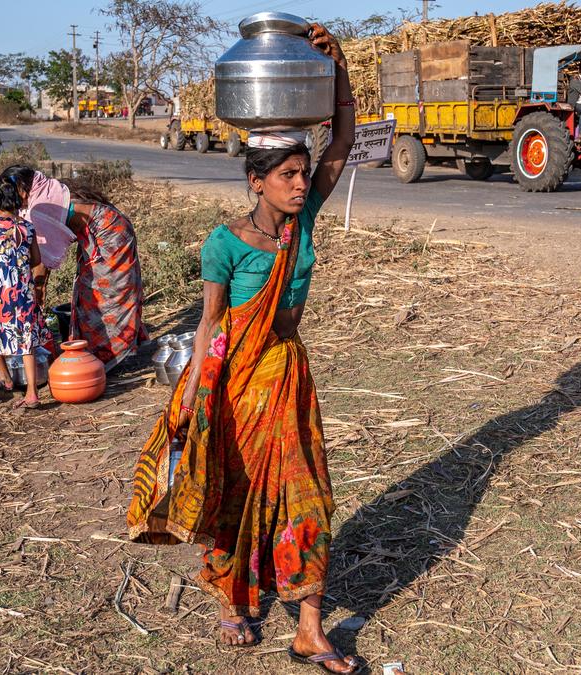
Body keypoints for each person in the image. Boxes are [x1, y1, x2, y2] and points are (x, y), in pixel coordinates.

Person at [126, 23, 363, 675]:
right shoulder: (223, 244)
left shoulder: (302, 222)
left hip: (287, 373)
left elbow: (341, 139)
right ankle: (234, 601)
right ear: (257, 180)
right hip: (237, 383)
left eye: (303, 174)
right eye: (288, 175)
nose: (300, 184)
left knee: (307, 494)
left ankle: (310, 628)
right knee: (233, 495)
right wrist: (194, 392)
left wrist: (338, 67)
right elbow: (208, 323)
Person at [1, 166, 149, 371]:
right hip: (94, 233)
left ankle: (111, 354)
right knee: (86, 292)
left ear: (21, 189)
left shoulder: (40, 206)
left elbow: (43, 259)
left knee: (109, 293)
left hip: (111, 231)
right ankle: (96, 352)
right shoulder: (40, 193)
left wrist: (36, 290)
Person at [0, 175, 49, 409]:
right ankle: (33, 393)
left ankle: (5, 378)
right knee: (26, 340)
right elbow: (36, 260)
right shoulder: (28, 228)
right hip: (23, 289)